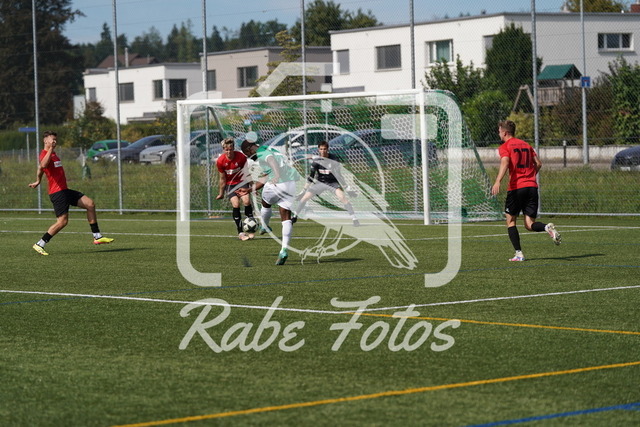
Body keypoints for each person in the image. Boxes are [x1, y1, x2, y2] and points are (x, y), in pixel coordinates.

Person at [28, 130, 114, 256]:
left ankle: (97, 236)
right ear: (45, 141)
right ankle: (40, 243)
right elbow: (43, 165)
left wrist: (38, 180)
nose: (55, 142)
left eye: (56, 140)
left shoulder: (53, 154)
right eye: (52, 140)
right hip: (57, 193)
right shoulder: (45, 154)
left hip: (65, 190)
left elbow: (40, 169)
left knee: (90, 204)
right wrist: (50, 149)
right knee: (62, 222)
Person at [491, 120, 561, 262]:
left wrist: (498, 180)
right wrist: (529, 176)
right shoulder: (526, 145)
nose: (499, 134)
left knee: (511, 221)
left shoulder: (505, 146)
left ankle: (519, 254)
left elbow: (505, 162)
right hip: (532, 187)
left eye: (499, 132)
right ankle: (546, 227)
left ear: (505, 132)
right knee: (529, 224)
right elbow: (538, 163)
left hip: (517, 188)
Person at [240, 138, 300, 265]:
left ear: (249, 149)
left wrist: (276, 175)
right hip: (290, 183)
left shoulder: (262, 152)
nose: (249, 157)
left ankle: (265, 225)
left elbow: (271, 160)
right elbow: (266, 175)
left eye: (247, 154)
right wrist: (250, 189)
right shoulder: (270, 149)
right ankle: (284, 250)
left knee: (265, 202)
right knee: (286, 217)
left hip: (278, 183)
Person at [295, 140, 359, 226]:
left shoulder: (333, 158)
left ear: (327, 149)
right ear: (318, 150)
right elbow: (311, 177)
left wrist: (347, 188)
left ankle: (354, 219)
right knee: (305, 197)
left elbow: (339, 175)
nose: (323, 151)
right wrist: (303, 191)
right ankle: (294, 216)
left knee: (342, 197)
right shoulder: (316, 161)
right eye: (321, 149)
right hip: (320, 183)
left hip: (332, 183)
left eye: (324, 149)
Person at [215, 138, 255, 240]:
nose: (229, 152)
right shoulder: (220, 161)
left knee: (246, 201)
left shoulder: (241, 157)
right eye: (226, 150)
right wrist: (221, 193)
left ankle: (251, 228)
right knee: (236, 204)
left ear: (233, 148)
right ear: (223, 150)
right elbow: (222, 179)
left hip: (242, 182)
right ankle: (240, 232)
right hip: (230, 185)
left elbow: (246, 173)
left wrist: (253, 186)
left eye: (230, 149)